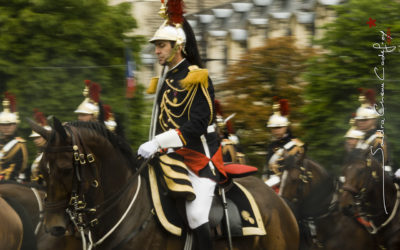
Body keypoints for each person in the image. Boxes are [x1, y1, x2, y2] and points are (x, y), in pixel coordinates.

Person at [138, 1, 223, 248]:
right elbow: (160, 122)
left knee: (196, 216)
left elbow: (199, 123)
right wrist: (152, 147)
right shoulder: (165, 79)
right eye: (156, 46)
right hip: (169, 157)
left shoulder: (196, 76)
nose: (156, 51)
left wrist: (158, 142)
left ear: (178, 47)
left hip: (199, 157)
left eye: (161, 46)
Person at [262, 98, 304, 193]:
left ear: (286, 127)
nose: (276, 130)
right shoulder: (271, 145)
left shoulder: (296, 145)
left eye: (279, 127)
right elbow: (266, 169)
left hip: (288, 187)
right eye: (273, 128)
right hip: (270, 185)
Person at [353, 88, 391, 173]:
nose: (361, 122)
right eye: (359, 120)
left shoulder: (378, 138)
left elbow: (378, 163)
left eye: (365, 120)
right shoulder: (359, 138)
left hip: (380, 177)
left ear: (374, 120)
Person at [0, 93, 29, 182]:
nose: (6, 127)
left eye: (9, 124)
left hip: (11, 182)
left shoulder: (19, 144)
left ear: (15, 126)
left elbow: (21, 167)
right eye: (3, 125)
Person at [29, 109, 51, 185]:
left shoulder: (51, 154)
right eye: (34, 138)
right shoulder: (40, 153)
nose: (35, 140)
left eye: (38, 137)